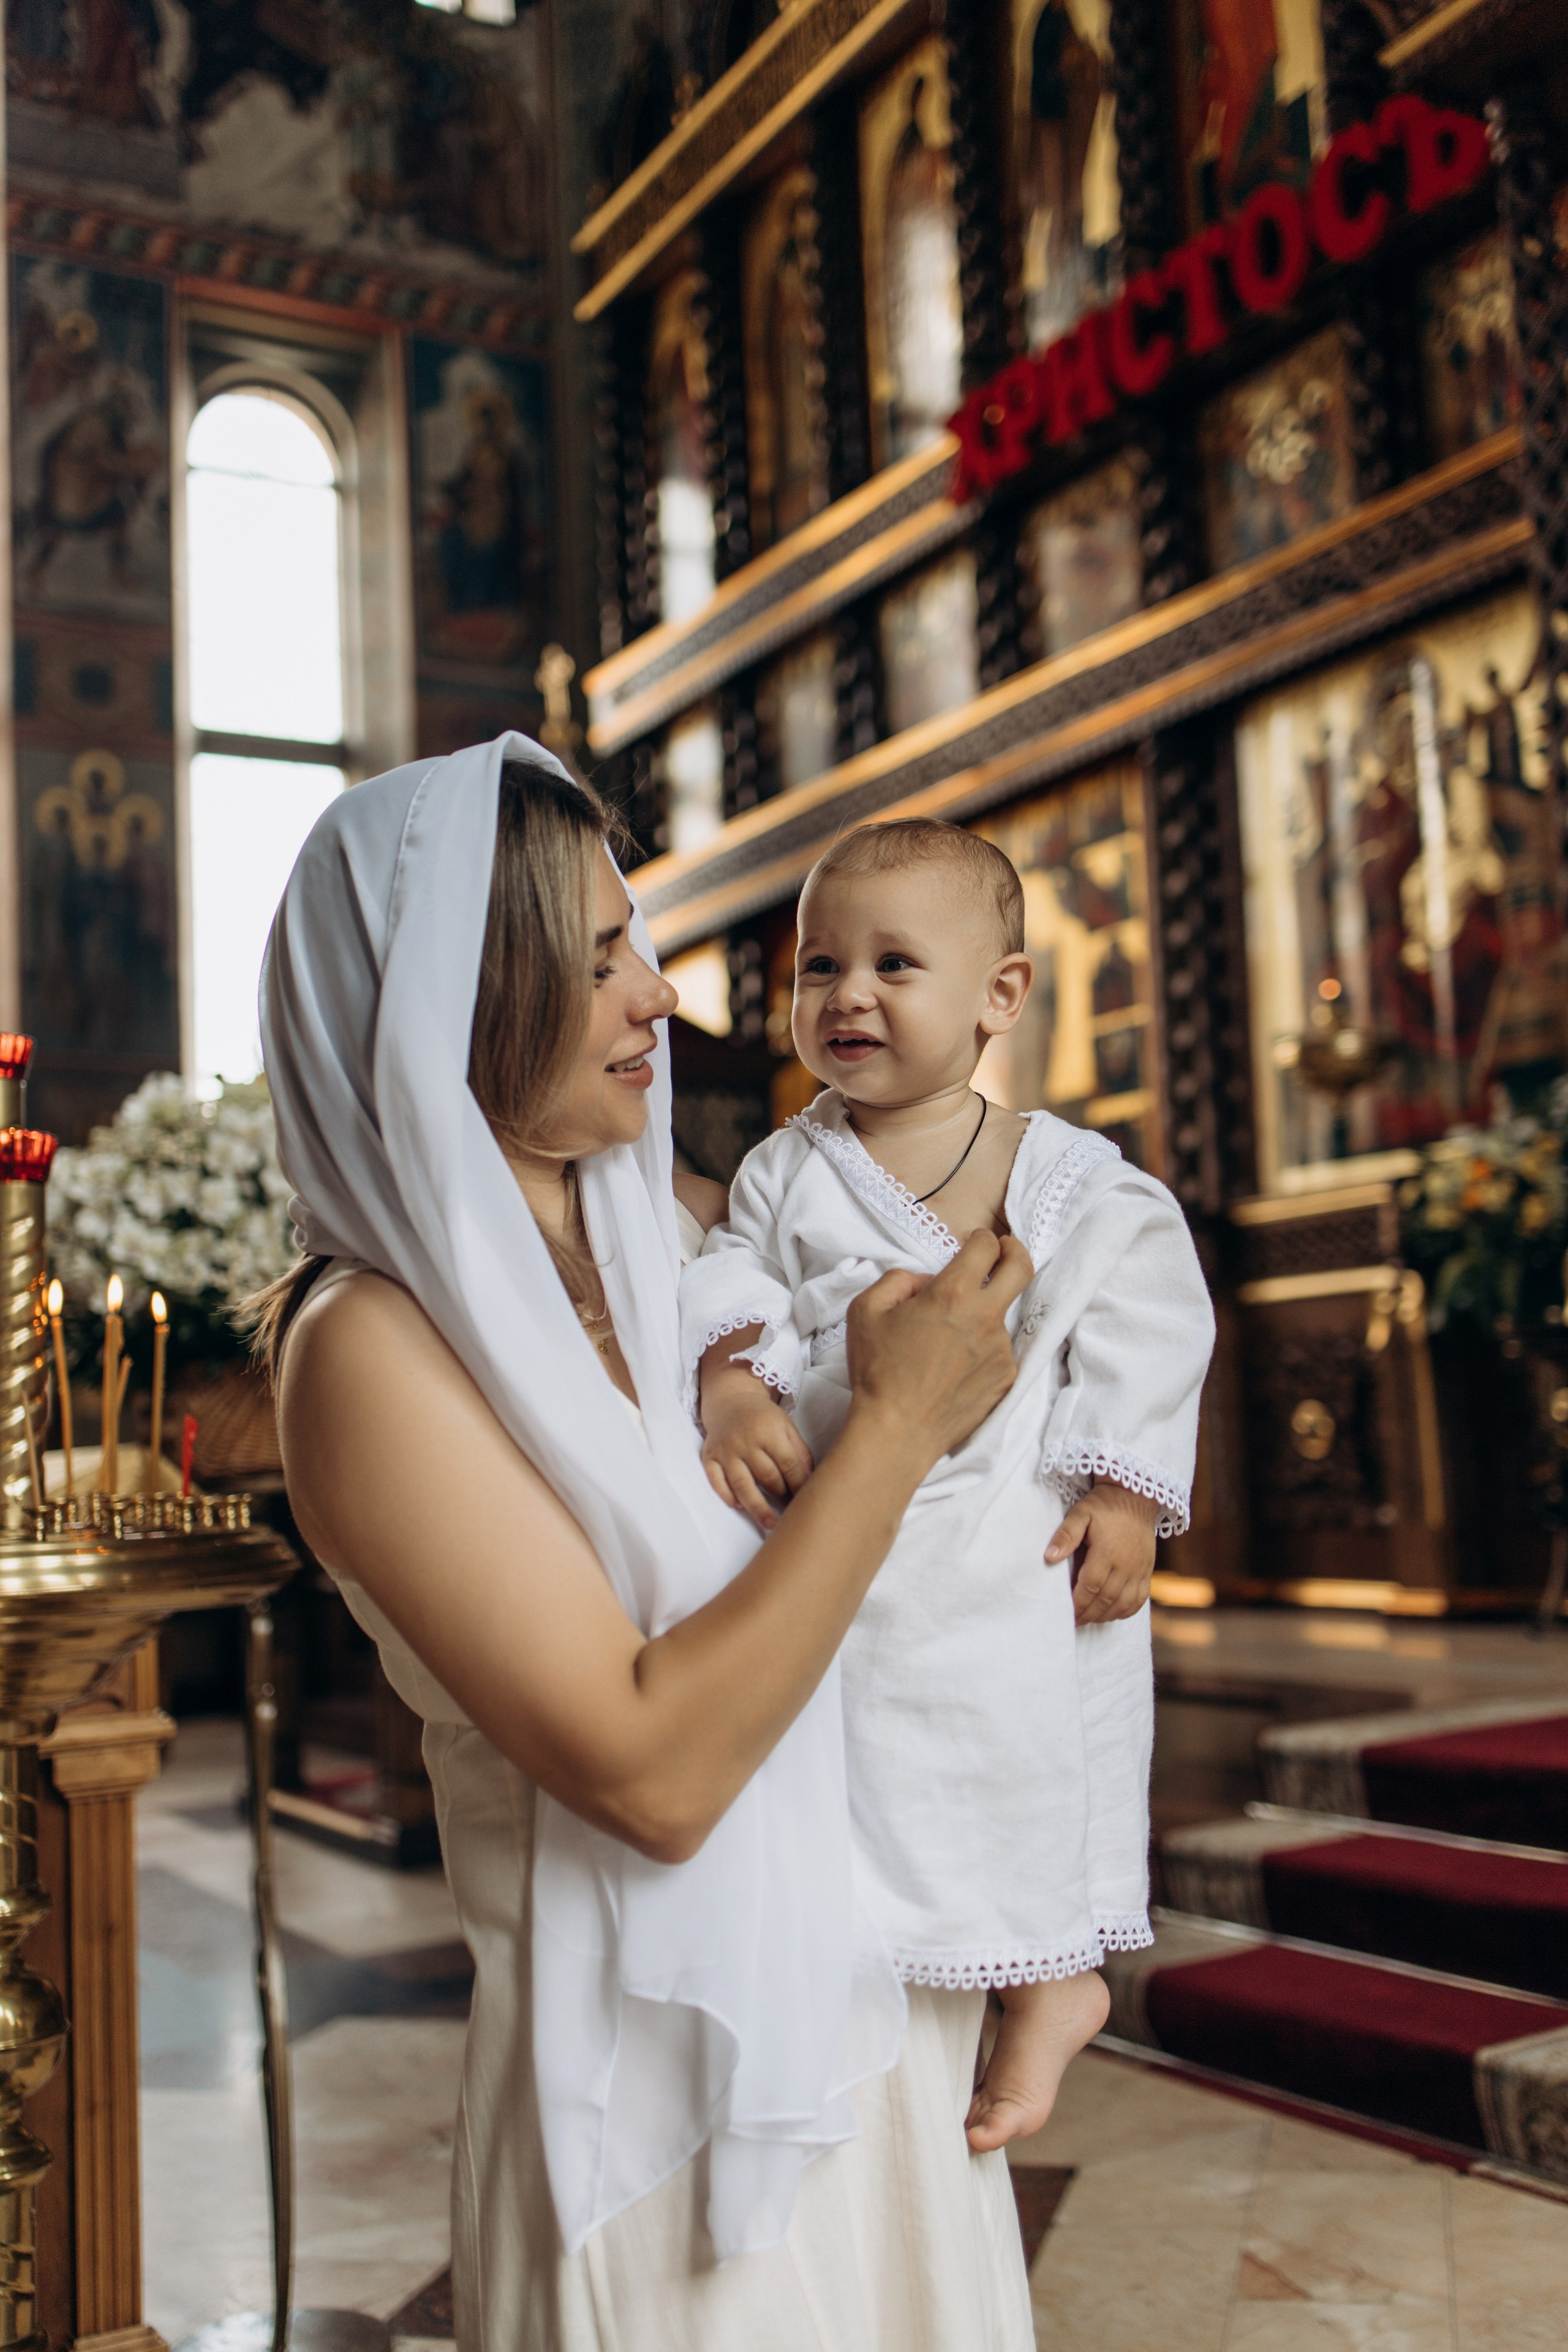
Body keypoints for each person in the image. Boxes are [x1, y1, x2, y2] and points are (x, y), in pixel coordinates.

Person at [252, 738, 1039, 2350]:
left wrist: (1028, 1915)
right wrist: (889, 1433)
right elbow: (654, 1772)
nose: (661, 999)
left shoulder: (675, 1251)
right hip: (652, 2134)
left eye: (643, 946)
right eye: (601, 958)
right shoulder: (369, 1347)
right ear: (458, 1000)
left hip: (874, 2045)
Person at [683, 818, 1215, 2152]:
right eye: (817, 966)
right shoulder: (783, 1171)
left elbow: (1147, 1323)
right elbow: (728, 1287)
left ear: (1001, 993)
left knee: (1028, 1751)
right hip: (853, 1535)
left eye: (892, 964)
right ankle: (892, 1953)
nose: (845, 994)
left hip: (1015, 1530)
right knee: (873, 1757)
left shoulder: (1073, 1181)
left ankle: (1050, 1977)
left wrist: (1122, 1493)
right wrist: (734, 1384)